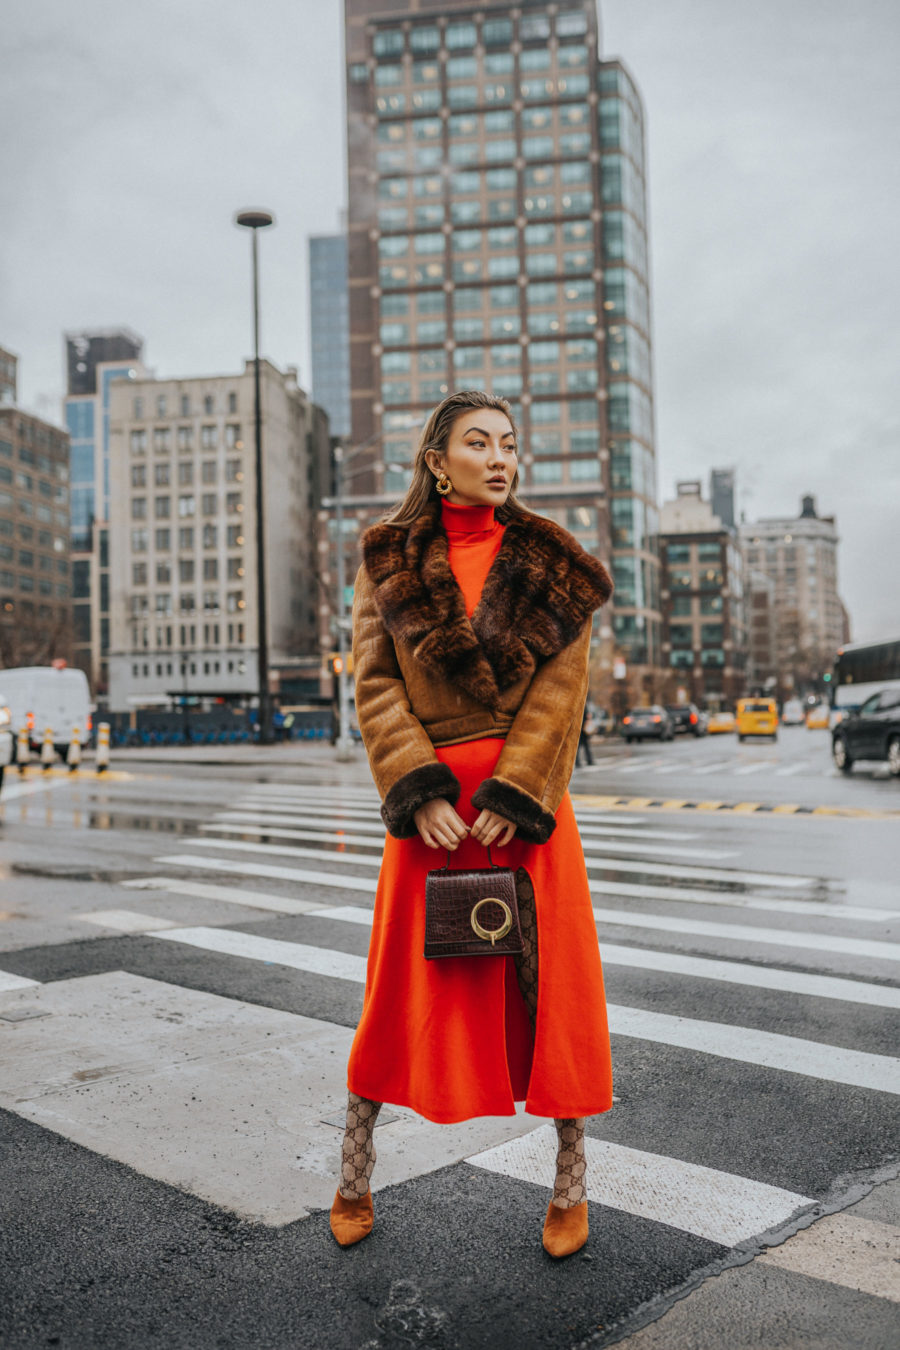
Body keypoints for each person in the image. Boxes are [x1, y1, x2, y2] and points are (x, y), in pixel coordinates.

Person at [330, 390, 615, 1258]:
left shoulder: (553, 563)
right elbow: (374, 685)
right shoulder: (387, 561)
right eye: (479, 443)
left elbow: (562, 696)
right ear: (435, 458)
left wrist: (512, 796)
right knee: (400, 993)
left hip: (522, 815)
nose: (500, 459)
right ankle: (353, 1170)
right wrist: (418, 793)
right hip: (429, 821)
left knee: (548, 991)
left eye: (510, 445)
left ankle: (570, 1183)